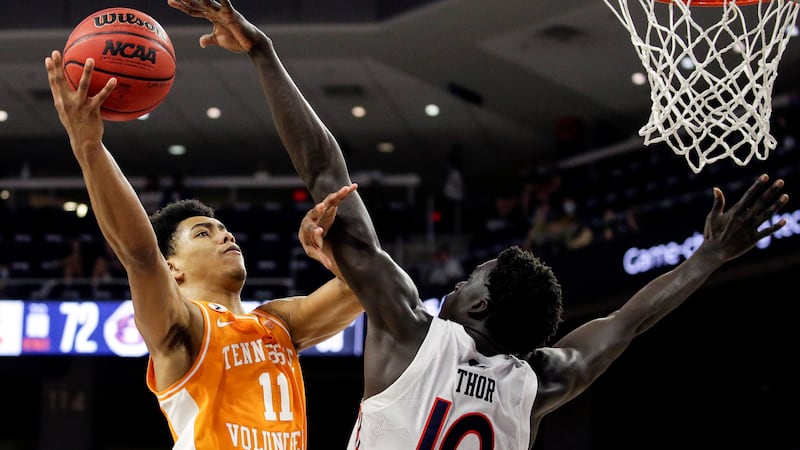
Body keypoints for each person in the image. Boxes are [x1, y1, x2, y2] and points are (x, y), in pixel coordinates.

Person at [165, 1, 792, 449]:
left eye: (474, 277)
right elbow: (629, 322)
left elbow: (328, 169)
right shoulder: (538, 380)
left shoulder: (414, 336)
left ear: (482, 302)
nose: (460, 281)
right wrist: (708, 260)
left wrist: (264, 52)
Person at [44, 19, 363, 450]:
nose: (224, 236)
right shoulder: (183, 328)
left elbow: (366, 288)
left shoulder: (277, 323)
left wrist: (330, 255)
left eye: (224, 228)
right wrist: (89, 147)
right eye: (203, 232)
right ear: (172, 267)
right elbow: (139, 253)